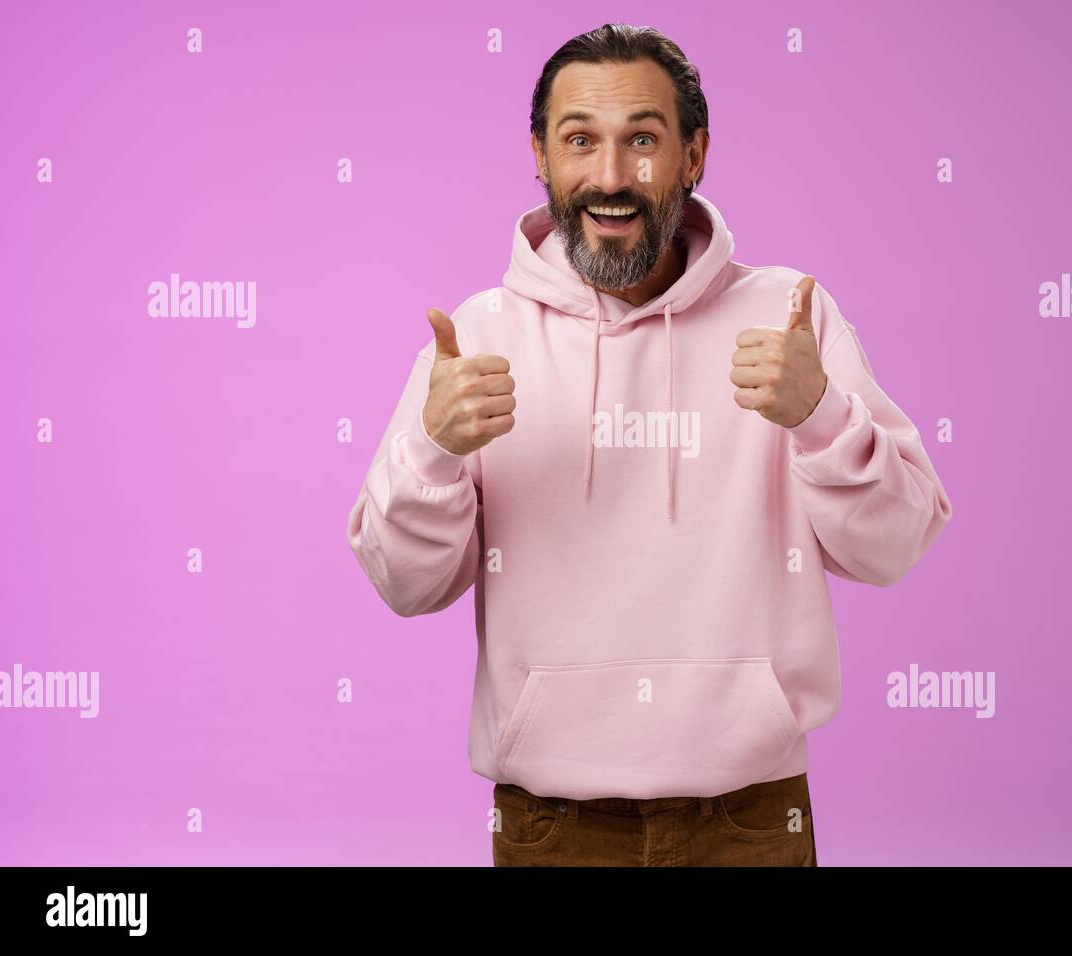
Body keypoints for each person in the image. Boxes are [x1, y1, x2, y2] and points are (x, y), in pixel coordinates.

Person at [346, 22, 953, 866]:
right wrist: (432, 452)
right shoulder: (477, 338)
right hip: (551, 824)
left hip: (749, 818)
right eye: (579, 140)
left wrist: (819, 414)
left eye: (642, 140)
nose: (610, 176)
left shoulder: (790, 319)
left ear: (694, 154)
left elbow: (895, 545)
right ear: (540, 156)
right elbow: (407, 586)